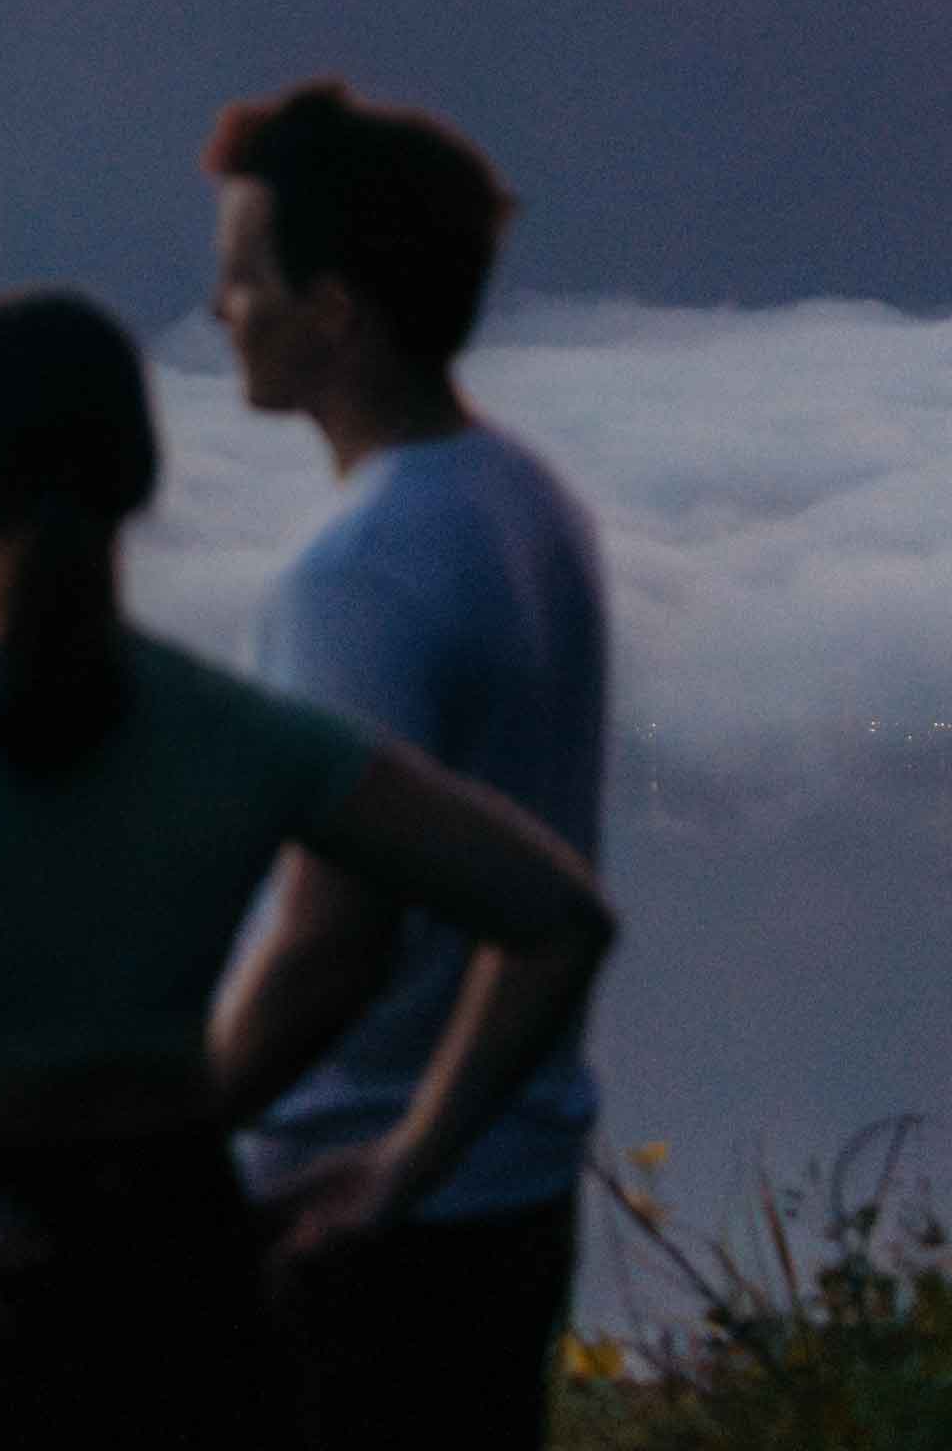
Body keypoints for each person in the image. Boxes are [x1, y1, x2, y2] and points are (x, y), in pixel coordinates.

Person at [0, 288, 615, 1448]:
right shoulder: (244, 736)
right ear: (140, 488)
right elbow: (559, 919)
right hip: (185, 1264)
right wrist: (403, 1170)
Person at [200, 80, 612, 1451]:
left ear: (334, 313)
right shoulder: (522, 499)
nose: (221, 309)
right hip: (506, 1176)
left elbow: (334, 936)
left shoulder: (357, 573)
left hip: (354, 1214)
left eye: (248, 276)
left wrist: (158, 1149)